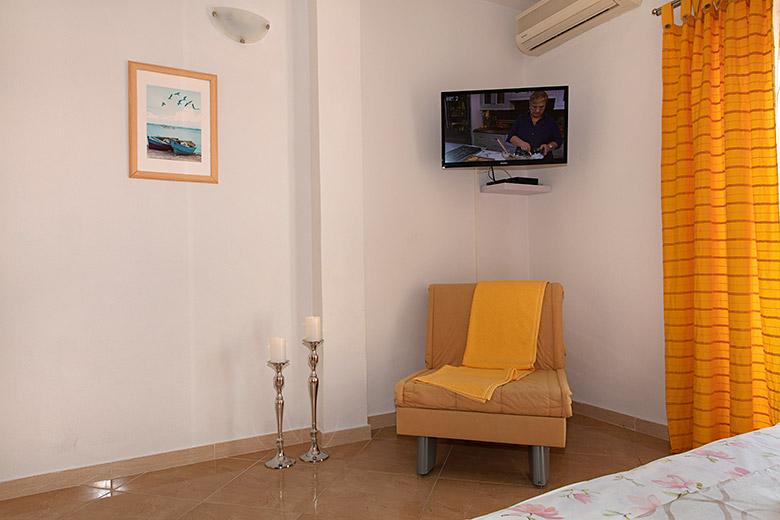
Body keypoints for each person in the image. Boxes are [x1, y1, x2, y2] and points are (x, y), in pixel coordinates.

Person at [505, 90, 562, 159]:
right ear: (529, 105)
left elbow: (558, 141)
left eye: (541, 107)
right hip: (521, 157)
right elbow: (510, 136)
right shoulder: (521, 119)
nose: (537, 110)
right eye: (534, 107)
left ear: (545, 105)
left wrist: (549, 146)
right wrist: (521, 143)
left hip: (544, 159)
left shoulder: (550, 121)